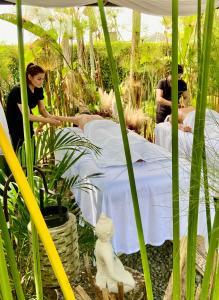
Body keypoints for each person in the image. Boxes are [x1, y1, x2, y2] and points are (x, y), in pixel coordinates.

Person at [6, 63, 61, 150]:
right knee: (21, 151)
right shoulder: (18, 91)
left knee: (32, 149)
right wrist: (48, 120)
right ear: (30, 77)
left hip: (27, 122)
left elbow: (42, 110)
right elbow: (27, 116)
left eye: (43, 79)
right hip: (15, 122)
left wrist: (53, 118)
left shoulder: (38, 89)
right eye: (39, 79)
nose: (41, 82)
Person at [94, 213, 135, 293]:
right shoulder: (106, 252)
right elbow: (112, 274)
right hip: (107, 280)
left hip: (103, 271)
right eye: (113, 229)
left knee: (120, 267)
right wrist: (126, 282)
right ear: (108, 233)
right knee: (132, 283)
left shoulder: (99, 242)